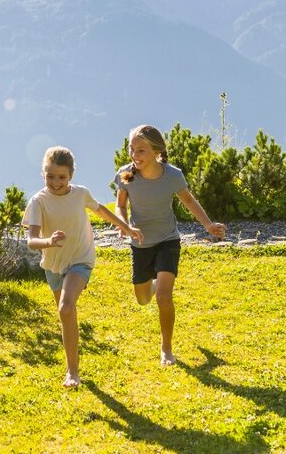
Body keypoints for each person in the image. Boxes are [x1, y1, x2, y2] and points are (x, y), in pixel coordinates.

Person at [25, 146, 141, 388]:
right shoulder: (38, 202)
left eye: (61, 177)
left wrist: (126, 227)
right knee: (66, 314)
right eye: (50, 176)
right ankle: (72, 367)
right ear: (43, 174)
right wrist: (49, 241)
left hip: (80, 259)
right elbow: (31, 240)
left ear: (71, 175)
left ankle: (72, 373)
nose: (55, 182)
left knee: (66, 308)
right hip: (53, 265)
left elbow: (101, 210)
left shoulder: (80, 194)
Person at [115, 125, 225, 366]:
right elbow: (121, 206)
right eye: (132, 149)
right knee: (144, 299)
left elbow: (188, 200)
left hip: (168, 240)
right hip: (141, 243)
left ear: (157, 151)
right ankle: (152, 286)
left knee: (164, 297)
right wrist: (124, 225)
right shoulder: (126, 175)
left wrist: (207, 225)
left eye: (141, 150)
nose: (135, 155)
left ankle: (166, 349)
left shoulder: (172, 176)